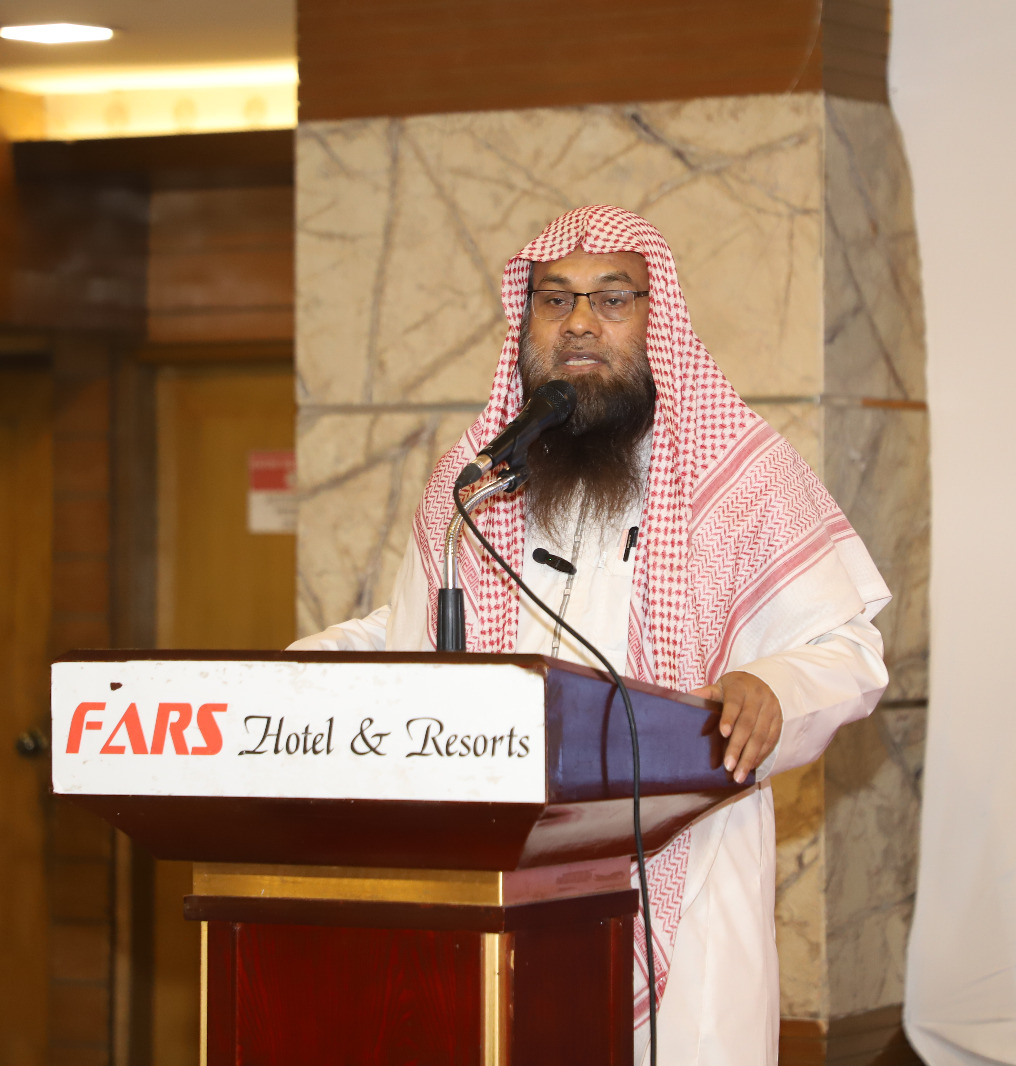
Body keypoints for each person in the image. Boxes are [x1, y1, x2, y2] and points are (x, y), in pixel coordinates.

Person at [291, 205, 890, 1065]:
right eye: (554, 299)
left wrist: (773, 688)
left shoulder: (739, 476)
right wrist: (303, 673)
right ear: (527, 320)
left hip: (690, 875)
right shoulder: (478, 480)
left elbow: (848, 648)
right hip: (505, 886)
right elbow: (418, 635)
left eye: (611, 299)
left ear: (656, 316)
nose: (578, 322)